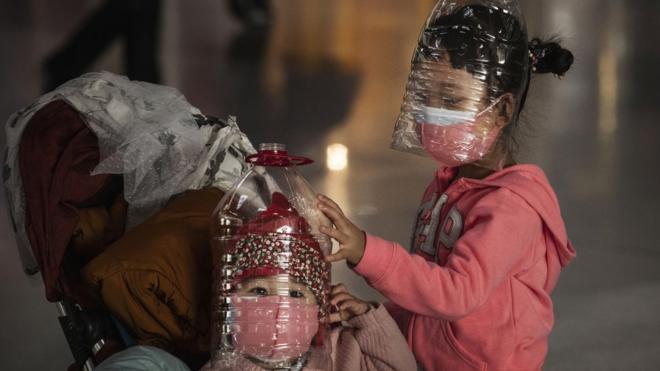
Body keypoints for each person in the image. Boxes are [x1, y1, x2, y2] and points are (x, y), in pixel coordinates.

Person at [317, 1, 576, 370]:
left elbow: (456, 293)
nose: (431, 111)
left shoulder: (511, 207)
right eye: (427, 96)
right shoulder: (451, 181)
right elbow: (427, 284)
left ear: (501, 110)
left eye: (451, 99)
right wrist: (379, 317)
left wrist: (365, 251)